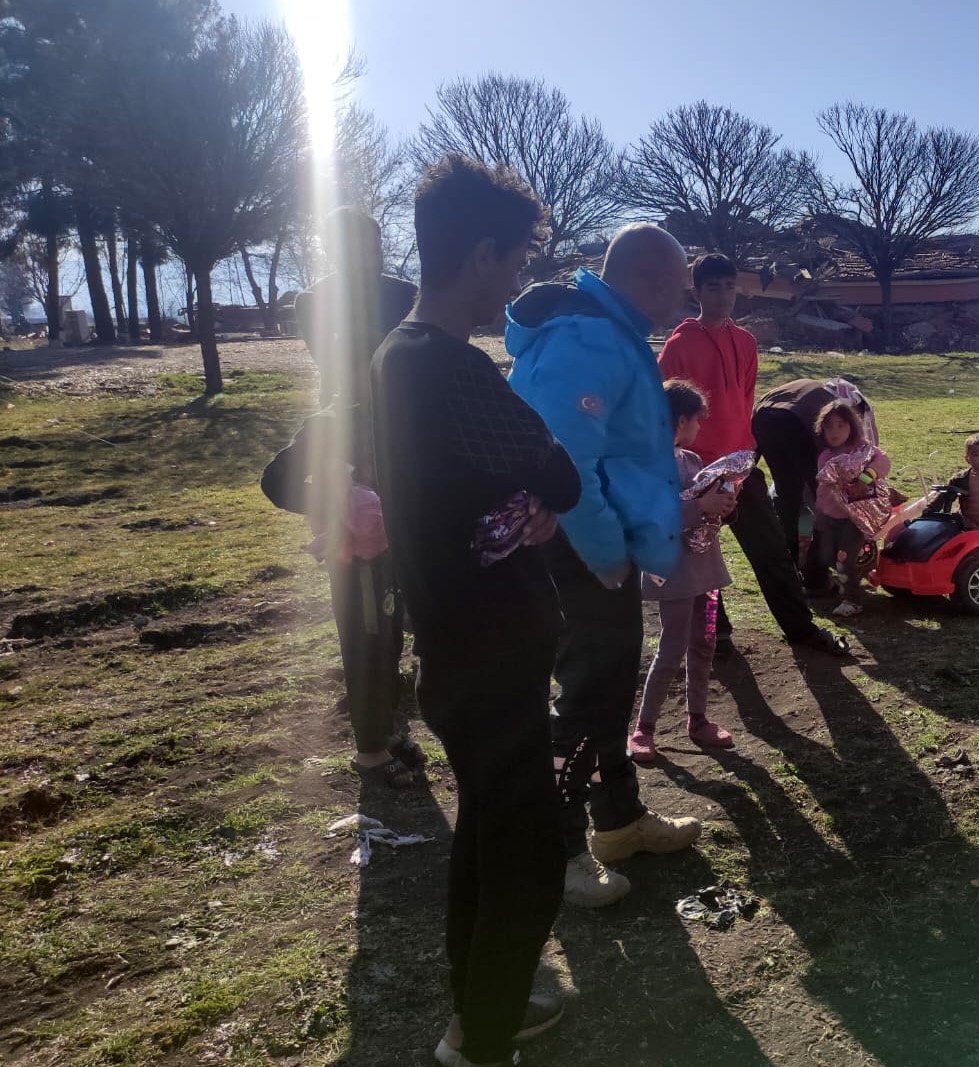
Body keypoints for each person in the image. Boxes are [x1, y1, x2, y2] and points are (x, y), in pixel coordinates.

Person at [369, 154, 581, 1067]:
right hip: (490, 660)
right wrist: (539, 501)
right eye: (519, 260)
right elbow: (561, 470)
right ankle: (481, 1042)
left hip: (458, 657)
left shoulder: (391, 358)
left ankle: (478, 1010)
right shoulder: (446, 368)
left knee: (487, 838)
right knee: (529, 859)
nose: (520, 281)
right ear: (482, 255)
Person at [505, 223, 711, 909]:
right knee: (587, 693)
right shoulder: (588, 337)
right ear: (650, 279)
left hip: (599, 542)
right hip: (578, 549)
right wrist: (604, 555)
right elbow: (564, 464)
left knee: (610, 685)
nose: (683, 301)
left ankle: (618, 821)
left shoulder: (604, 331)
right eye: (678, 287)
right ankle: (561, 851)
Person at [657, 255, 852, 657]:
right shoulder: (679, 346)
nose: (724, 296)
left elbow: (744, 400)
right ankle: (715, 636)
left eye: (730, 287)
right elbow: (664, 409)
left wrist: (746, 454)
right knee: (703, 560)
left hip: (741, 467)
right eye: (714, 287)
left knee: (772, 552)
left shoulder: (745, 342)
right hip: (697, 472)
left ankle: (800, 630)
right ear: (697, 291)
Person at [260, 334, 417, 788]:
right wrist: (340, 504)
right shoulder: (330, 423)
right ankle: (369, 751)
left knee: (388, 641)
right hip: (357, 560)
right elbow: (276, 483)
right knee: (366, 645)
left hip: (392, 554)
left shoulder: (392, 419)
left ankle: (386, 729)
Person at [629, 379, 739, 763]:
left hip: (706, 575)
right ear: (680, 420)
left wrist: (723, 505)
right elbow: (652, 518)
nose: (699, 428)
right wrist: (702, 507)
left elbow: (705, 510)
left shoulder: (691, 461)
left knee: (705, 640)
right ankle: (644, 728)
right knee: (672, 645)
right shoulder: (647, 464)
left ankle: (698, 719)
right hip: (673, 575)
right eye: (696, 420)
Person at [751, 376, 880, 574]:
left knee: (788, 495)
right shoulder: (833, 413)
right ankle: (816, 573)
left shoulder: (814, 390)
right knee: (822, 502)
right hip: (793, 422)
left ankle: (795, 568)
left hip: (762, 415)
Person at [296, 207, 417, 408]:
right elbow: (334, 367)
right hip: (343, 414)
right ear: (333, 254)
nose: (372, 262)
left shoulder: (407, 295)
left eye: (375, 250)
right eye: (358, 254)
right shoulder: (313, 301)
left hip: (401, 408)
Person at [811, 399, 890, 618]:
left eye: (840, 425)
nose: (834, 431)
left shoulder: (863, 450)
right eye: (829, 426)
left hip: (854, 517)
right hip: (829, 516)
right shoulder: (825, 456)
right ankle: (855, 573)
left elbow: (883, 461)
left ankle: (853, 600)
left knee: (844, 557)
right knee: (826, 556)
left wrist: (867, 476)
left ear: (851, 426)